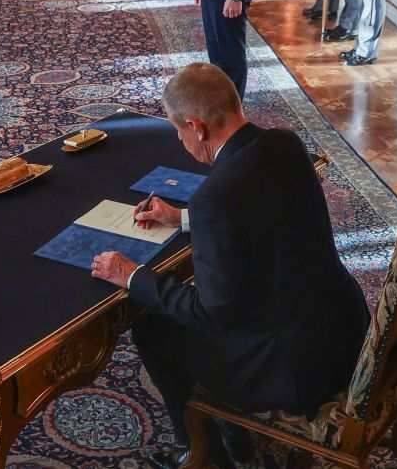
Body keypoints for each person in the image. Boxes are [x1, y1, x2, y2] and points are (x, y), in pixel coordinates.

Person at [91, 62, 370, 469]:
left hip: (290, 367)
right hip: (344, 329)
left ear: (197, 127)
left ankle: (202, 454)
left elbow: (212, 313)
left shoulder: (214, 198)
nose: (182, 142)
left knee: (153, 324)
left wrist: (130, 275)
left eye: (179, 132)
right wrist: (182, 218)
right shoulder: (285, 144)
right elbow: (268, 214)